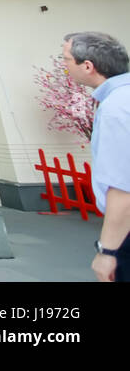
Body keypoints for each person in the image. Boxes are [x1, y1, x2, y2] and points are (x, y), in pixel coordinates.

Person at [62, 31, 130, 282]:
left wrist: (108, 250)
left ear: (88, 66)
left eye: (66, 60)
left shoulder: (116, 109)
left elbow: (123, 186)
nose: (64, 66)